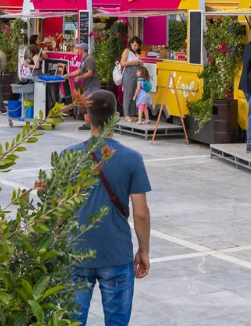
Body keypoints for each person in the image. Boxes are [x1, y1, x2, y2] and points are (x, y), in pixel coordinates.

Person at [66, 90, 151, 326]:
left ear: (86, 118)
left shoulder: (68, 156)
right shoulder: (132, 158)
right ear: (117, 116)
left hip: (75, 252)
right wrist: (143, 250)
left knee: (71, 321)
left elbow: (56, 208)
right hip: (116, 253)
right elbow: (141, 213)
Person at [66, 42, 101, 131]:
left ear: (82, 50)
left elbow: (90, 72)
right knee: (88, 104)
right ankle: (90, 123)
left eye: (78, 49)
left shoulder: (89, 59)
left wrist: (80, 77)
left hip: (92, 86)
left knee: (90, 104)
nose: (77, 50)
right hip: (88, 86)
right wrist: (68, 75)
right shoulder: (84, 59)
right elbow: (79, 70)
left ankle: (91, 123)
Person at [120, 37, 144, 124]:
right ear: (131, 43)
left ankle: (132, 114)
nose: (136, 47)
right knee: (128, 94)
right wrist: (133, 61)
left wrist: (140, 63)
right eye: (135, 45)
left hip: (136, 74)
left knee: (135, 94)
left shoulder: (136, 53)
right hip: (128, 73)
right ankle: (126, 115)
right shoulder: (127, 51)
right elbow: (122, 63)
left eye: (137, 46)